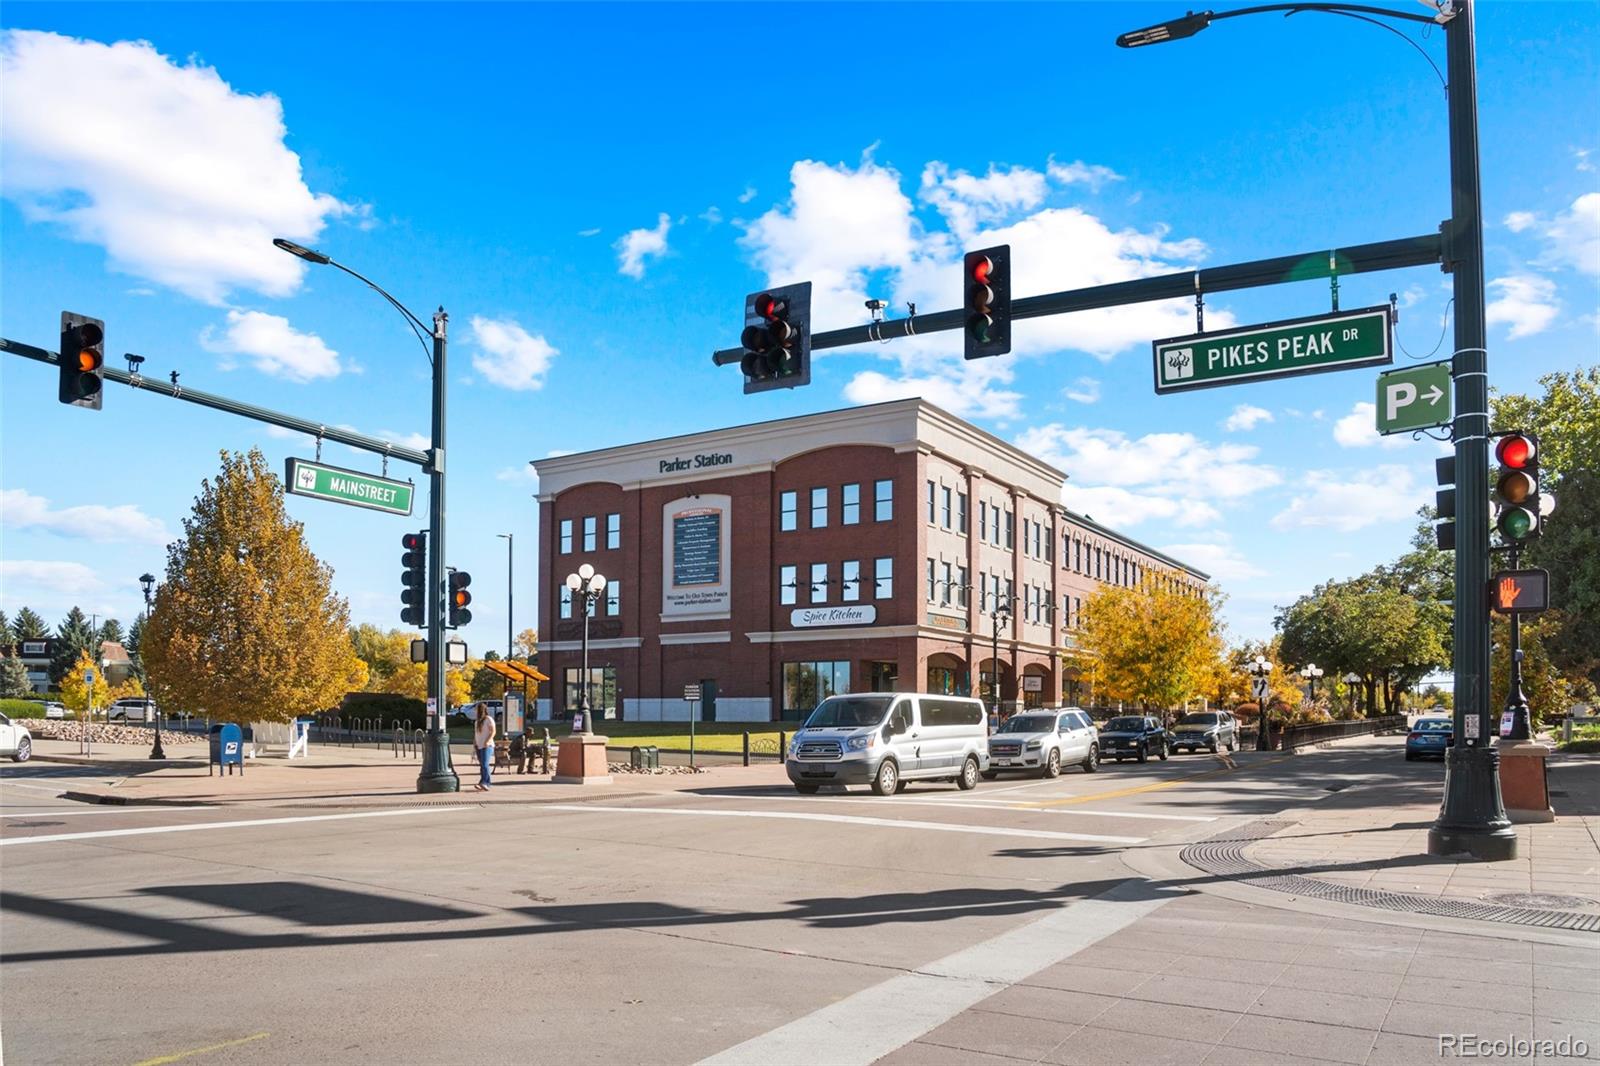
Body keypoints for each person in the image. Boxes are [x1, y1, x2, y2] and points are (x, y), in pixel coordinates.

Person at [473, 705, 497, 791]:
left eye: (477, 710)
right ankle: (482, 782)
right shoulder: (477, 722)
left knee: (485, 764)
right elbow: (476, 733)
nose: (476, 712)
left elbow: (493, 731)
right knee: (482, 765)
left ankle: (486, 782)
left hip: (487, 745)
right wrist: (475, 742)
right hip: (479, 745)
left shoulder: (488, 719)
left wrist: (488, 740)